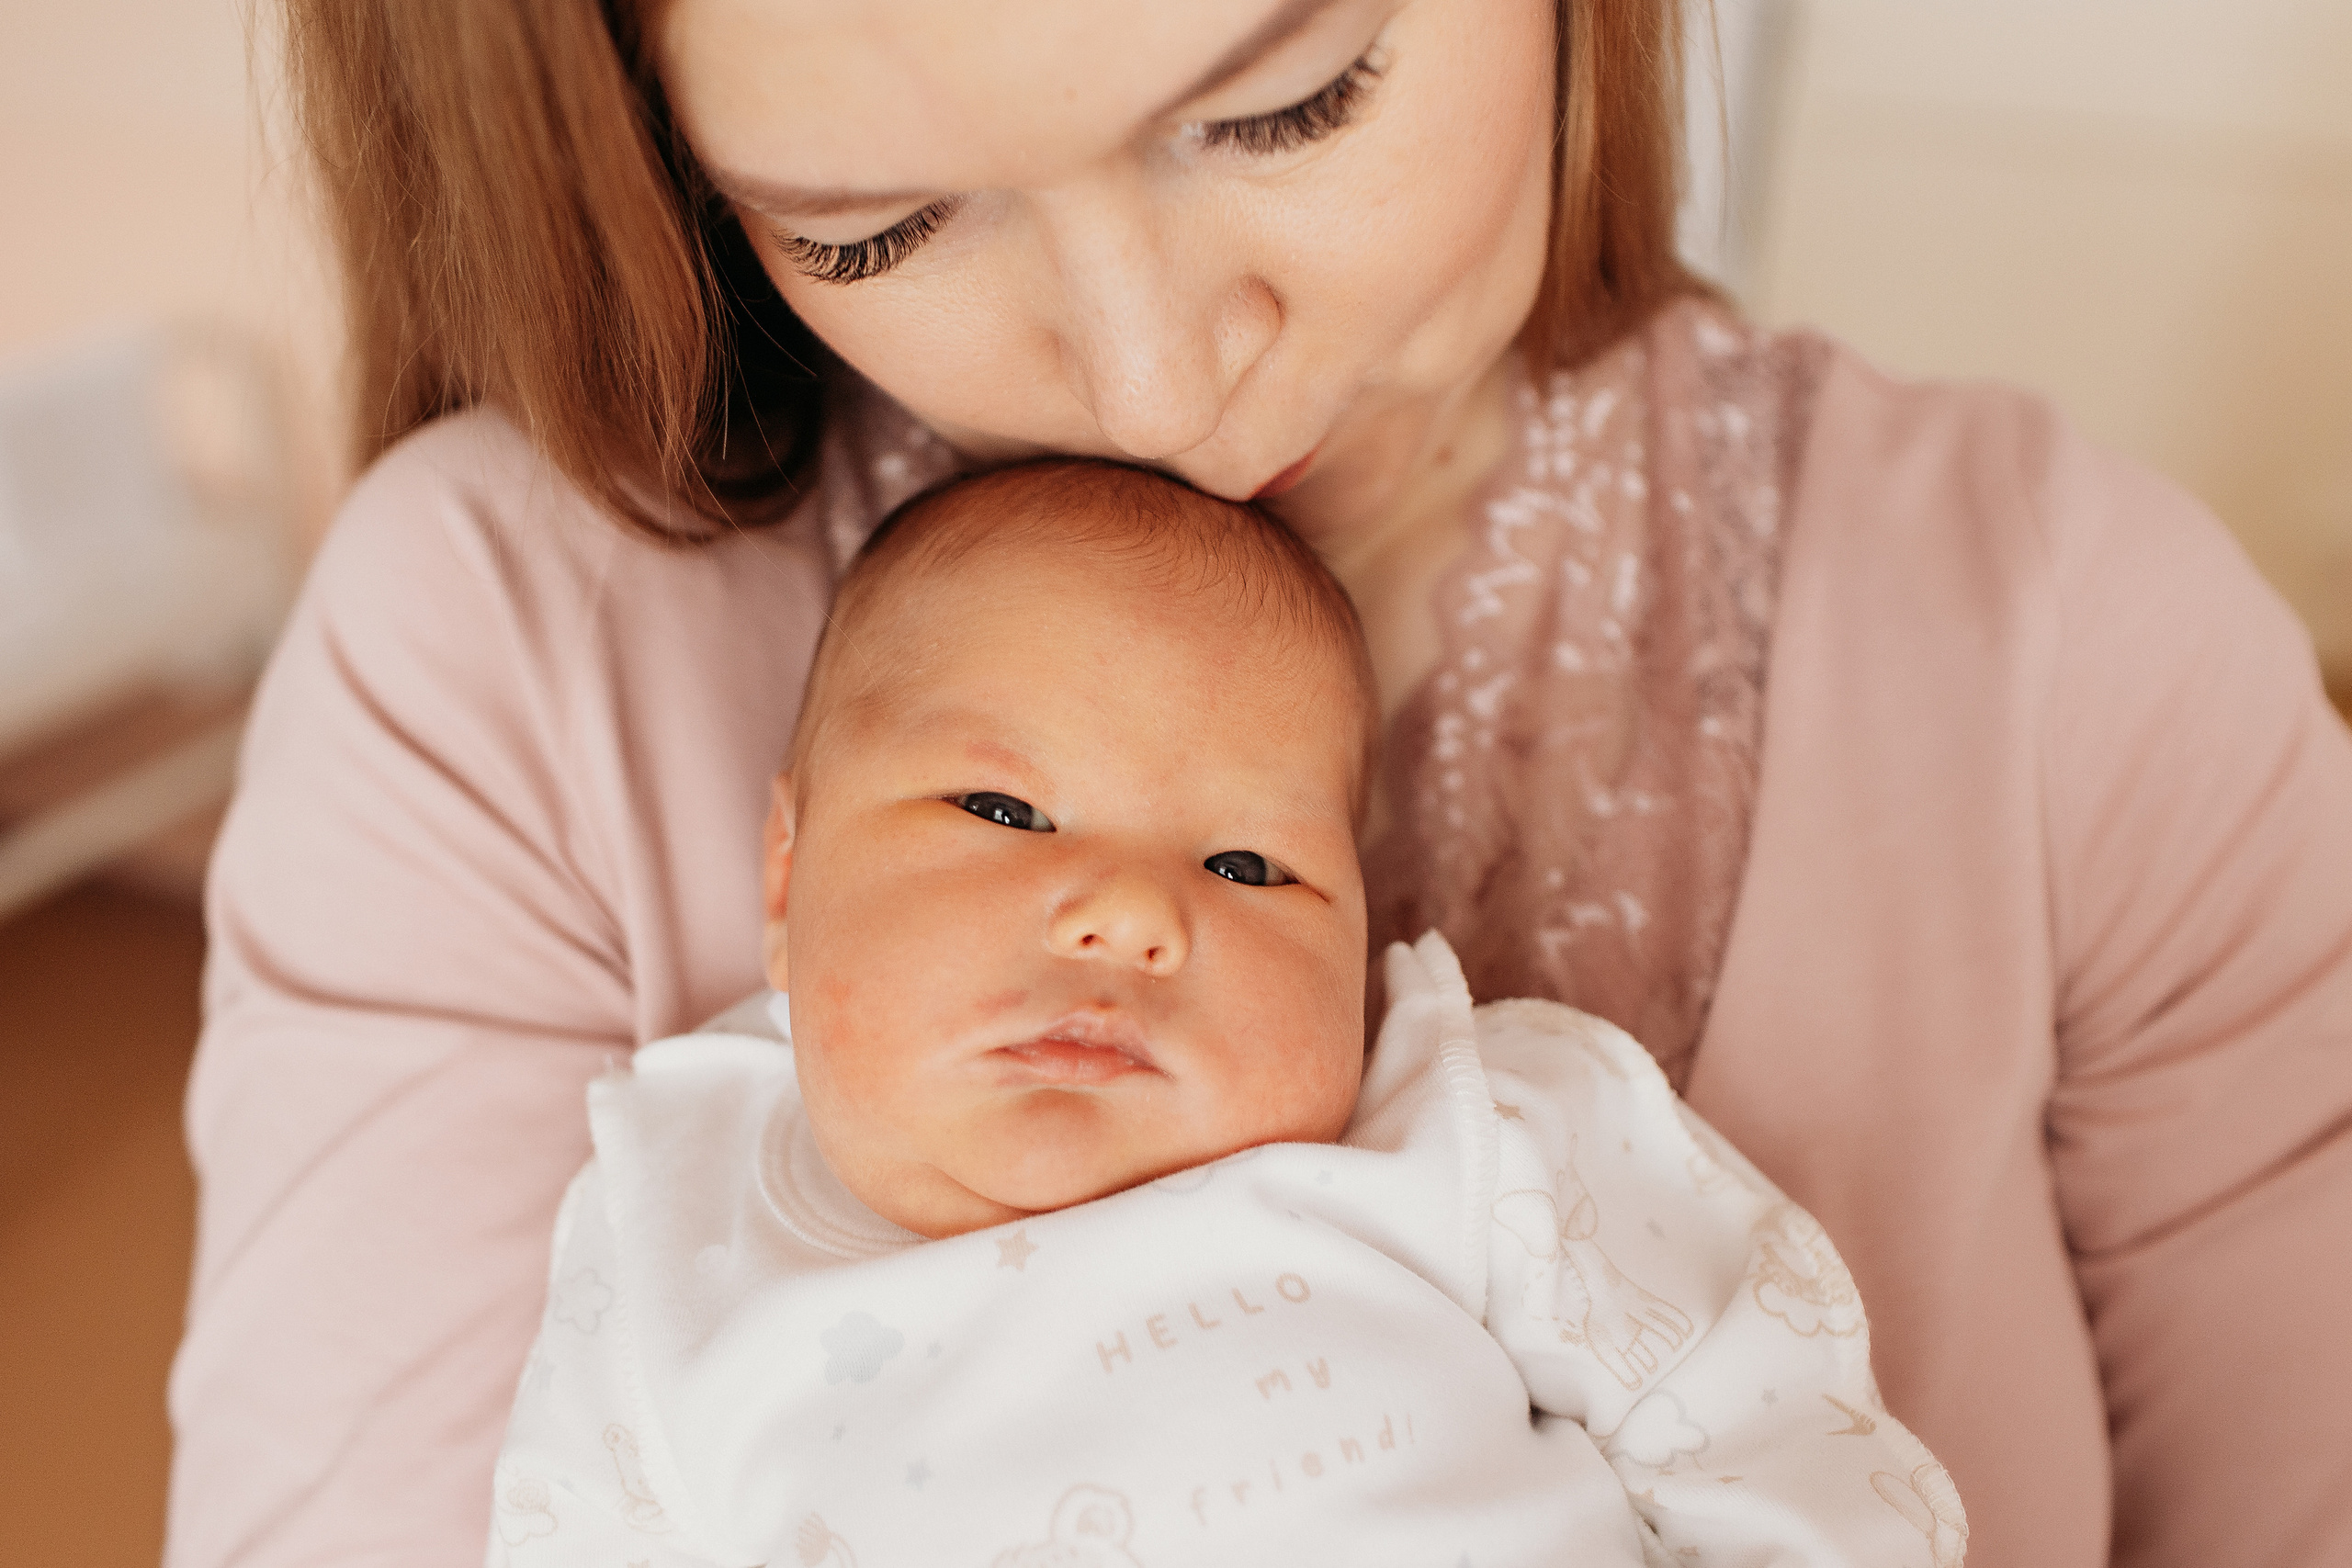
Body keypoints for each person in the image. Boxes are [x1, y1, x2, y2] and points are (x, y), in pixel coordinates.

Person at [169, 1, 2352, 1565]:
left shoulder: (2074, 643)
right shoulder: (495, 657)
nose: (1156, 379)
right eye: (867, 228)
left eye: (1291, 94)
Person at [487, 461, 1958, 1566]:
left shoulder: (1472, 1129)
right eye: (1005, 807)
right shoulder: (672, 1226)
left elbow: (1768, 1409)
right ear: (788, 875)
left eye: (1248, 864)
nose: (1131, 915)